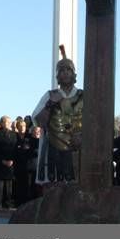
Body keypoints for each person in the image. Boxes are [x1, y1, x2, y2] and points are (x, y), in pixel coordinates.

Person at [32, 56, 83, 184]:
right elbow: (38, 122)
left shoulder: (84, 96)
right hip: (53, 149)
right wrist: (51, 103)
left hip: (79, 150)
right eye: (61, 70)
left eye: (68, 70)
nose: (65, 73)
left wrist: (83, 136)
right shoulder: (49, 95)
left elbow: (94, 123)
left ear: (74, 74)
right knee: (54, 192)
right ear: (57, 75)